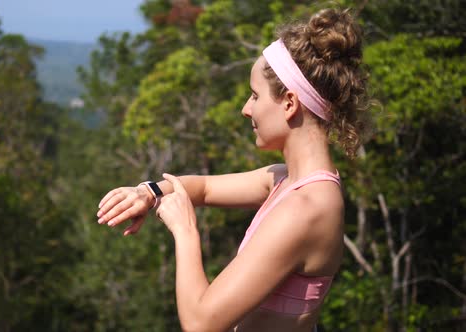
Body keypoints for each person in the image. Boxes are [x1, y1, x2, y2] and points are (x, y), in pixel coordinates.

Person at [96, 8, 369, 332]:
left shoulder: (305, 209)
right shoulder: (286, 181)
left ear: (289, 104)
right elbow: (205, 188)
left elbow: (200, 323)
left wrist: (184, 230)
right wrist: (149, 192)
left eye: (255, 96)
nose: (246, 108)